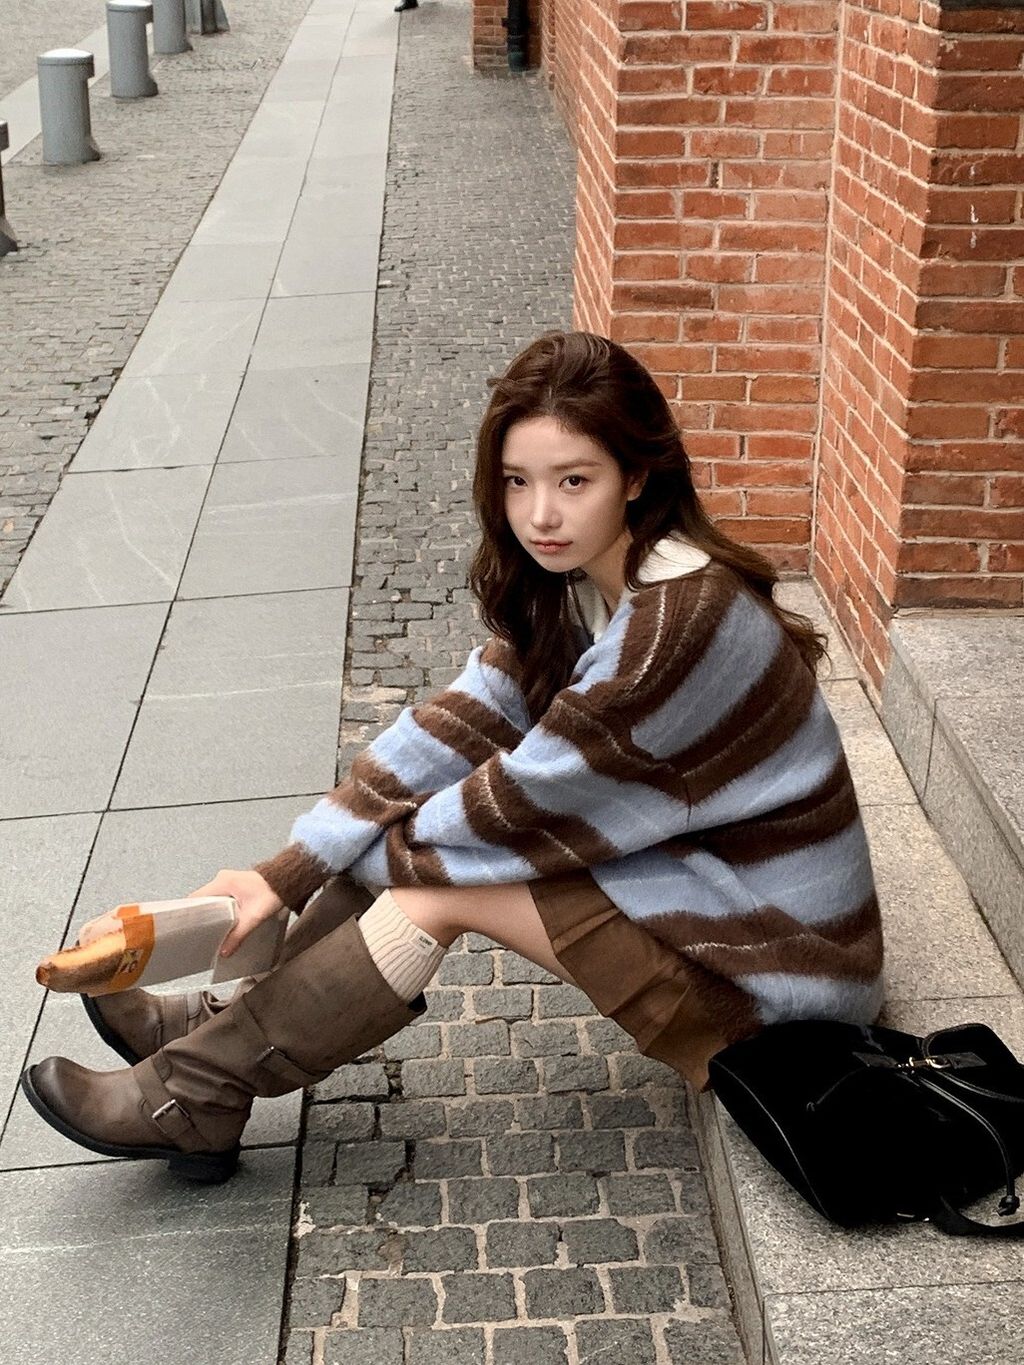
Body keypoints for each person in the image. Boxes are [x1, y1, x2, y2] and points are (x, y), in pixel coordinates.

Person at [21, 331, 885, 1183]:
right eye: (517, 481)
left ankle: (197, 1091)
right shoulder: (590, 581)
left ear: (637, 476)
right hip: (708, 895)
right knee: (407, 836)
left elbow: (517, 804)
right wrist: (286, 870)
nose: (540, 514)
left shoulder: (675, 629)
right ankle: (211, 1030)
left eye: (573, 480)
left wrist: (331, 863)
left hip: (776, 981)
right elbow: (462, 720)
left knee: (434, 884)